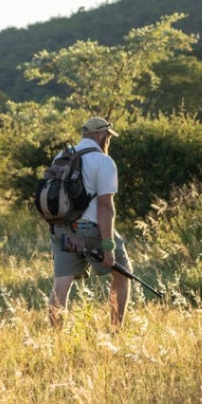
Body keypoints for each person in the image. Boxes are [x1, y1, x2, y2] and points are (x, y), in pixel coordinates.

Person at [48, 116, 130, 328]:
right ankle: (115, 330)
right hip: (90, 230)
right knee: (122, 274)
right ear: (101, 135)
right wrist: (108, 247)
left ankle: (55, 339)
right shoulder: (103, 161)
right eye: (108, 137)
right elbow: (105, 207)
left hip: (61, 229)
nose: (108, 141)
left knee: (62, 283)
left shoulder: (62, 156)